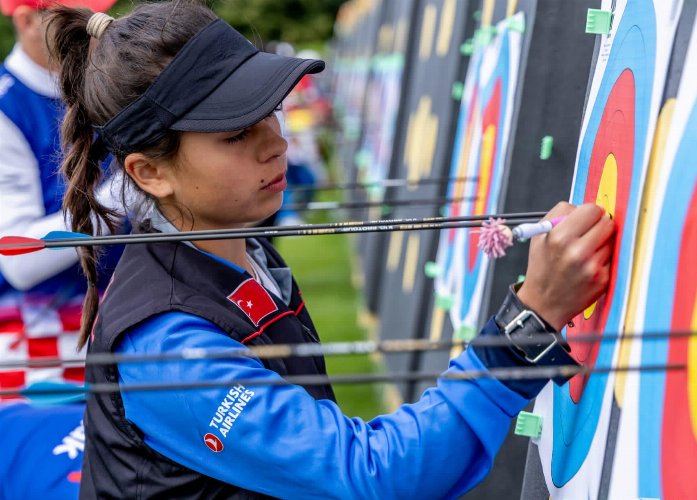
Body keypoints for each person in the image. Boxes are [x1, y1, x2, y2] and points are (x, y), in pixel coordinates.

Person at [44, 2, 615, 498]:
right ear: (150, 173)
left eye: (267, 110)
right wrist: (529, 321)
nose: (276, 140)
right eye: (235, 134)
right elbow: (371, 476)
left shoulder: (236, 252)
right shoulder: (169, 344)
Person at [0, 0, 119, 397]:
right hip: (40, 345)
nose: (97, 26)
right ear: (27, 20)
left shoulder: (104, 85)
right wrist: (128, 195)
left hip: (125, 322)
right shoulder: (6, 108)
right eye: (78, 16)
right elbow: (17, 258)